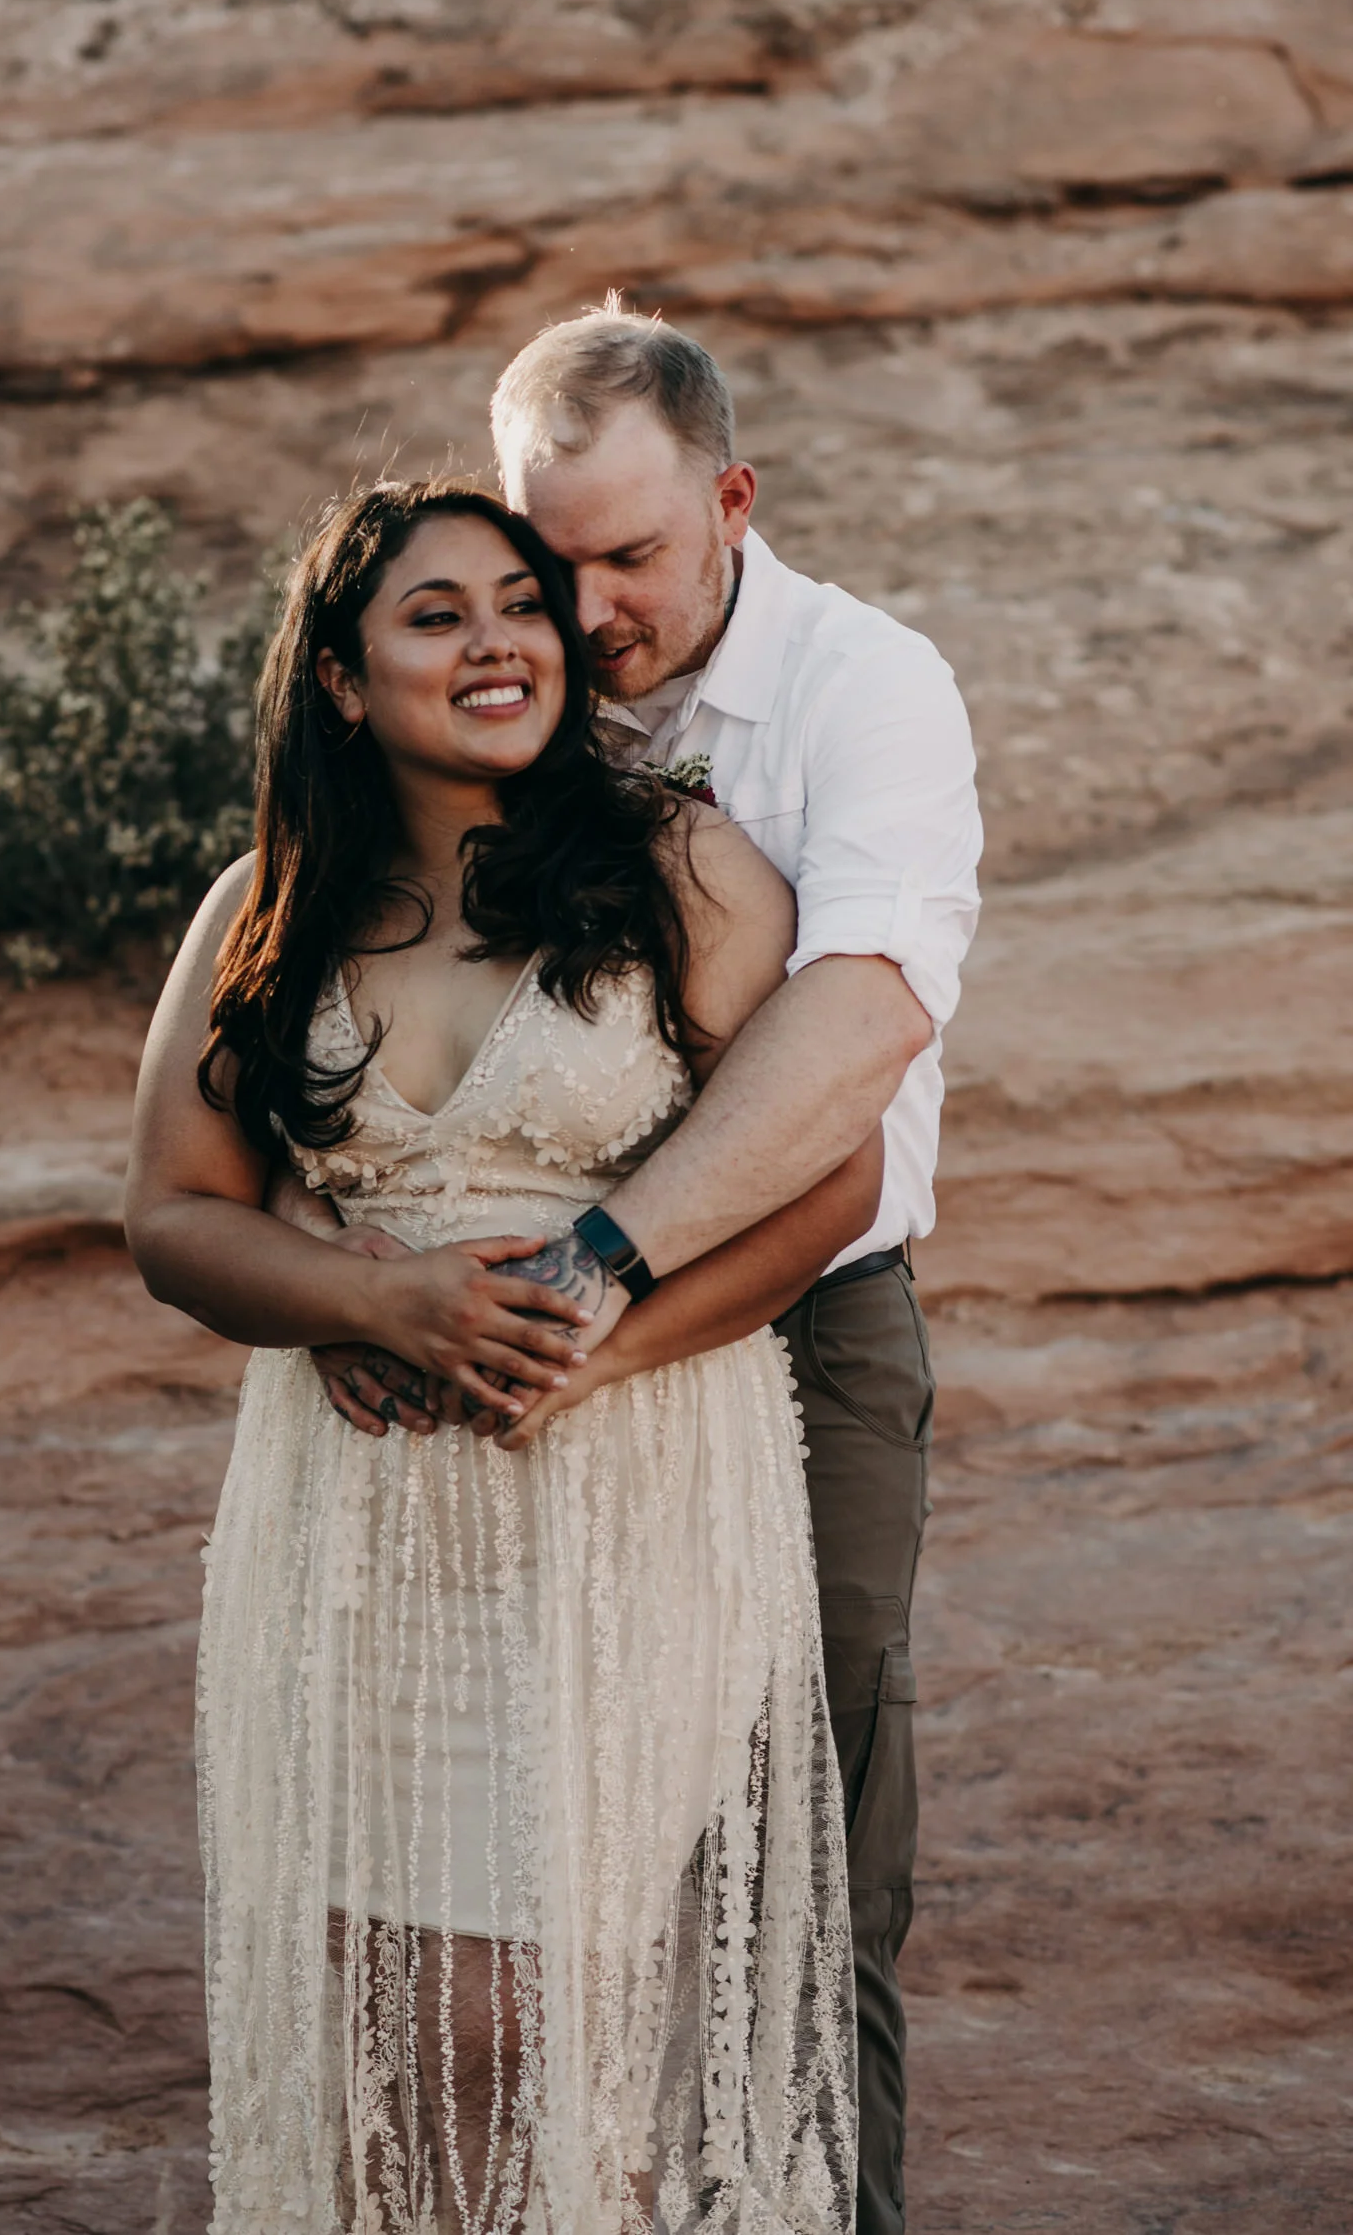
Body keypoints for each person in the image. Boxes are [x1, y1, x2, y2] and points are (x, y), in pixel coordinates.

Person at [125, 480, 883, 2233]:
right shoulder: (267, 903)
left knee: (522, 2024)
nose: (498, 643)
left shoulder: (673, 864)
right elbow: (175, 1213)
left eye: (520, 606)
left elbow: (826, 1168)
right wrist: (368, 1300)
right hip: (363, 1535)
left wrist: (600, 1355)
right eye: (436, 613)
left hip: (627, 1492)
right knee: (383, 2043)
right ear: (338, 675)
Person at [322, 308, 982, 2235]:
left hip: (801, 1325)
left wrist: (603, 1267)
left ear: (732, 502)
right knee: (525, 1859)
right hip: (486, 1353)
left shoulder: (866, 690)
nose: (583, 610)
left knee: (800, 1860)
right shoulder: (499, 689)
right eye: (549, 563)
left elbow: (859, 1016)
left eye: (629, 556)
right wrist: (350, 1268)